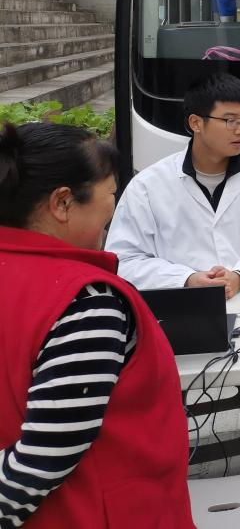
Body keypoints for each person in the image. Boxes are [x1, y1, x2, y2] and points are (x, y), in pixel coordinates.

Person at [106, 71, 240, 469]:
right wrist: (186, 279)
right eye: (230, 120)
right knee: (161, 377)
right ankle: (169, 451)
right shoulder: (149, 186)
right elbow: (123, 259)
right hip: (182, 312)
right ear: (196, 122)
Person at [0, 123, 194, 527]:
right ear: (63, 202)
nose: (113, 209)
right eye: (110, 194)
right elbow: (40, 460)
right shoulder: (84, 303)